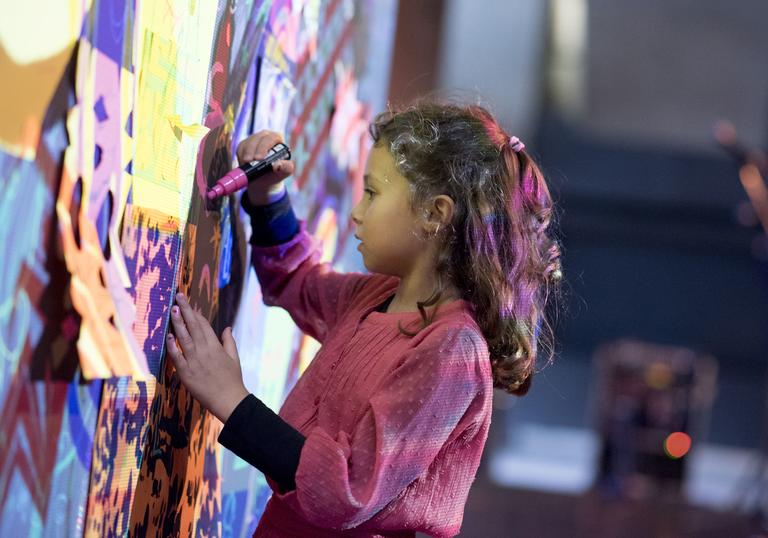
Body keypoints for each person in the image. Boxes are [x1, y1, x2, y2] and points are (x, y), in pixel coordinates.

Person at [166, 100, 562, 537]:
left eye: (372, 193)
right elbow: (296, 280)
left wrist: (232, 400)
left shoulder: (453, 351)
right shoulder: (377, 297)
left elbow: (345, 491)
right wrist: (267, 195)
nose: (357, 212)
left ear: (435, 214)